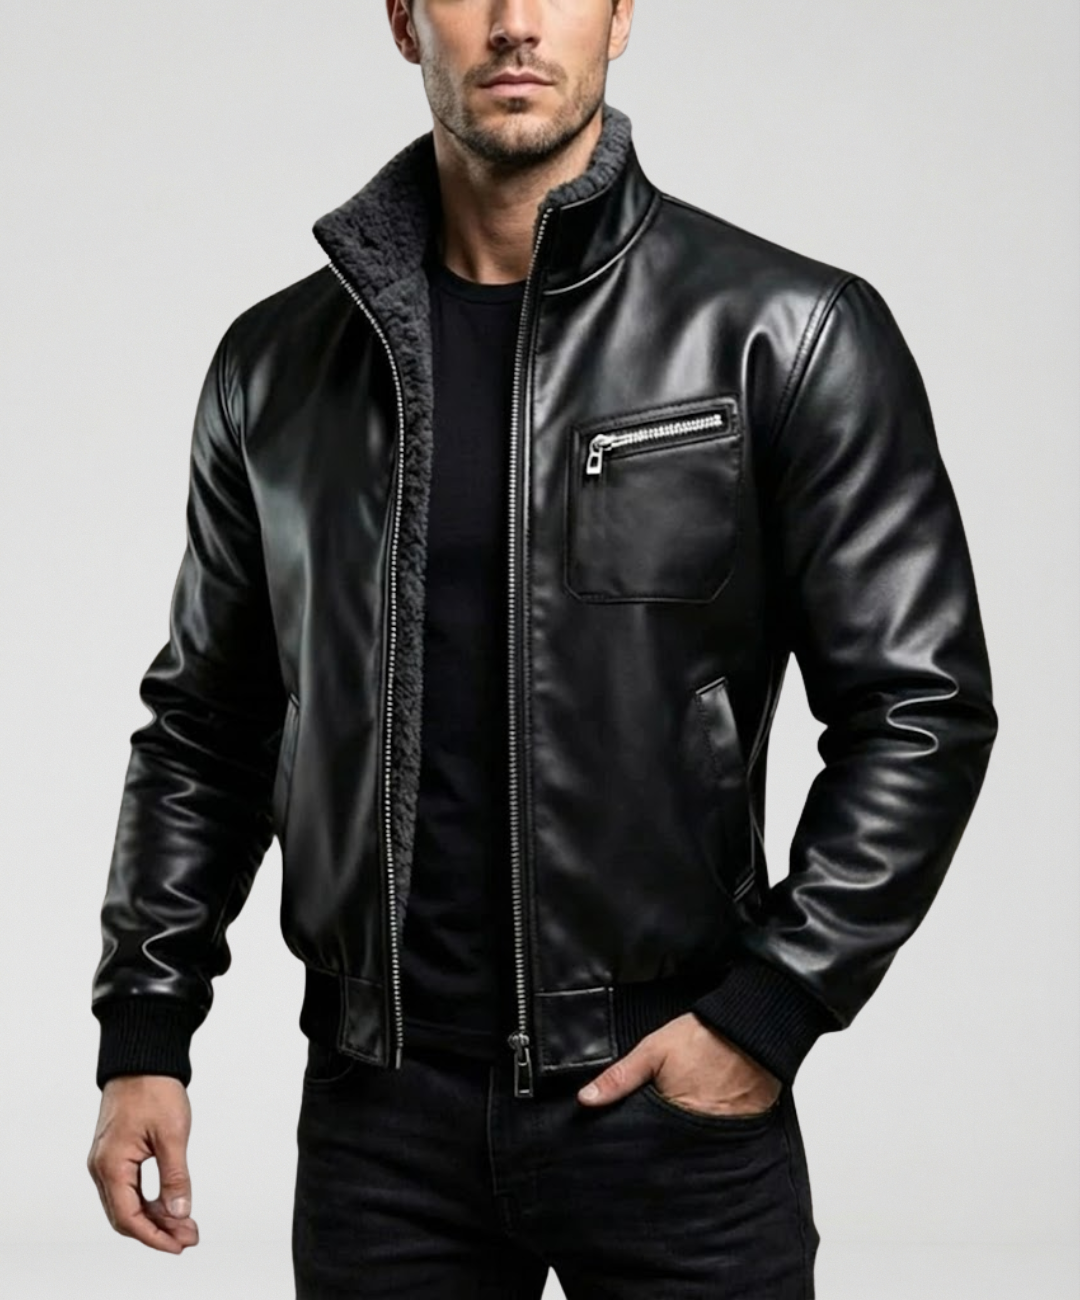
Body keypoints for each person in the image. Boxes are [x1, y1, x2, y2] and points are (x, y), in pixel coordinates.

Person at [86, 1, 999, 1295]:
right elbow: (207, 725)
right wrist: (144, 1031)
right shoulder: (276, 367)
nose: (515, 23)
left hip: (672, 1099)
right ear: (403, 20)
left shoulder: (785, 330)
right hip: (380, 1119)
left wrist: (773, 1007)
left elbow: (921, 705)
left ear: (621, 14)